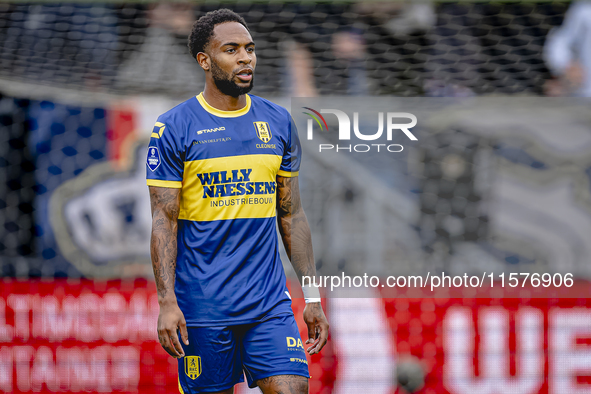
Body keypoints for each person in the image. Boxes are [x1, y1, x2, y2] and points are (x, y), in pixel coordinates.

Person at [146, 9, 329, 394]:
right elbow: (164, 221)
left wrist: (311, 295)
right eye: (231, 49)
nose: (246, 57)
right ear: (205, 60)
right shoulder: (174, 128)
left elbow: (292, 215)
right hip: (203, 308)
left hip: (268, 305)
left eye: (250, 48)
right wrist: (166, 302)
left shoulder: (278, 122)